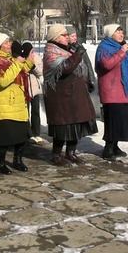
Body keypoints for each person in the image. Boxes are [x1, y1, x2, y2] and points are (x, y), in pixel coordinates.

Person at [43, 24, 98, 165]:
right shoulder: (51, 52)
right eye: (64, 35)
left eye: (67, 35)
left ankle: (71, 152)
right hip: (61, 97)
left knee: (76, 125)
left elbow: (80, 67)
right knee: (62, 127)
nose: (67, 37)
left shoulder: (67, 49)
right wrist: (78, 55)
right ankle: (56, 155)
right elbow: (64, 68)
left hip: (75, 95)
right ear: (55, 37)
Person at [0, 33, 34, 174]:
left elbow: (22, 71)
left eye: (9, 42)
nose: (9, 44)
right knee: (4, 138)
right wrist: (18, 63)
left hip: (16, 103)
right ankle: (0, 163)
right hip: (3, 105)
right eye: (6, 42)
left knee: (21, 136)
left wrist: (28, 59)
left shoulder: (9, 59)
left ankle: (17, 160)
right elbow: (2, 81)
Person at [95, 24, 128, 161]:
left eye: (122, 31)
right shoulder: (104, 48)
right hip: (111, 90)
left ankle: (115, 146)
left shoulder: (121, 47)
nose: (121, 34)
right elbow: (106, 64)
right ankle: (108, 148)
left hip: (122, 90)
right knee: (112, 121)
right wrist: (121, 52)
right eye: (118, 32)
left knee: (121, 121)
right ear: (110, 34)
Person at [26, 41, 46, 145]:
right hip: (25, 89)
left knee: (35, 111)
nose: (31, 53)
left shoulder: (36, 57)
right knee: (26, 112)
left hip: (35, 89)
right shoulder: (22, 58)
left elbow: (40, 71)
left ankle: (36, 132)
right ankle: (28, 133)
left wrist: (32, 66)